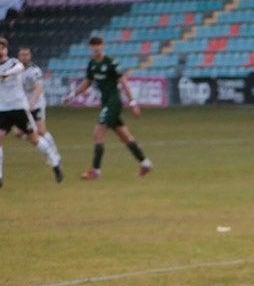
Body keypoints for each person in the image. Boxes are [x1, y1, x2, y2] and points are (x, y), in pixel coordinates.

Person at [62, 35, 153, 179]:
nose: (96, 48)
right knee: (124, 136)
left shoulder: (111, 63)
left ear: (103, 46)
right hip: (106, 102)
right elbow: (87, 82)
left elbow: (123, 82)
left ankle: (95, 171)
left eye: (98, 45)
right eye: (93, 45)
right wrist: (72, 95)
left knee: (98, 133)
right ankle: (146, 163)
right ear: (90, 48)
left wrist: (133, 103)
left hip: (114, 102)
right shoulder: (92, 64)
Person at [0, 38, 63, 187]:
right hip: (2, 109)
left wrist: (7, 74)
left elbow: (19, 68)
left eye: (2, 48)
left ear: (6, 50)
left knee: (34, 138)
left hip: (19, 108)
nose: (0, 51)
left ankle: (55, 163)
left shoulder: (13, 63)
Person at [17, 46, 62, 172]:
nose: (24, 57)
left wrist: (32, 102)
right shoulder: (16, 70)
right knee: (18, 133)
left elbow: (39, 87)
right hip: (22, 105)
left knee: (42, 131)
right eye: (22, 55)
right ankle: (46, 148)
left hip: (36, 105)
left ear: (30, 56)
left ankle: (55, 155)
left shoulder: (34, 70)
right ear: (18, 57)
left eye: (26, 54)